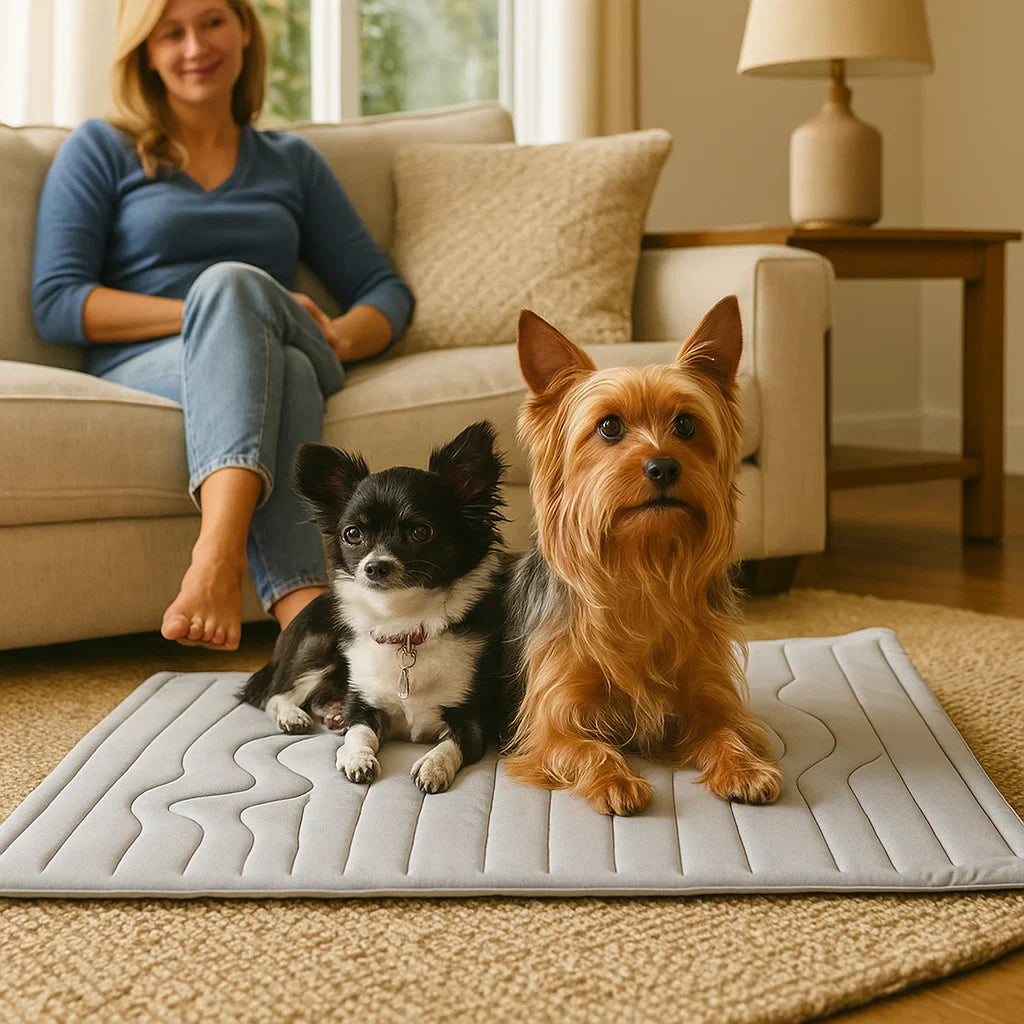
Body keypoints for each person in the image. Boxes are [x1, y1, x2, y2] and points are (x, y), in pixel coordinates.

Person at [31, 0, 414, 651]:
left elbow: (384, 290)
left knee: (261, 320)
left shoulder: (290, 161)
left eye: (212, 21)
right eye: (170, 33)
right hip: (153, 362)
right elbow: (60, 301)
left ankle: (217, 558)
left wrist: (344, 335)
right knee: (276, 353)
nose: (194, 47)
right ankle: (308, 627)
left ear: (243, 30)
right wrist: (216, 309)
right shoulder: (101, 148)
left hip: (288, 339)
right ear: (145, 54)